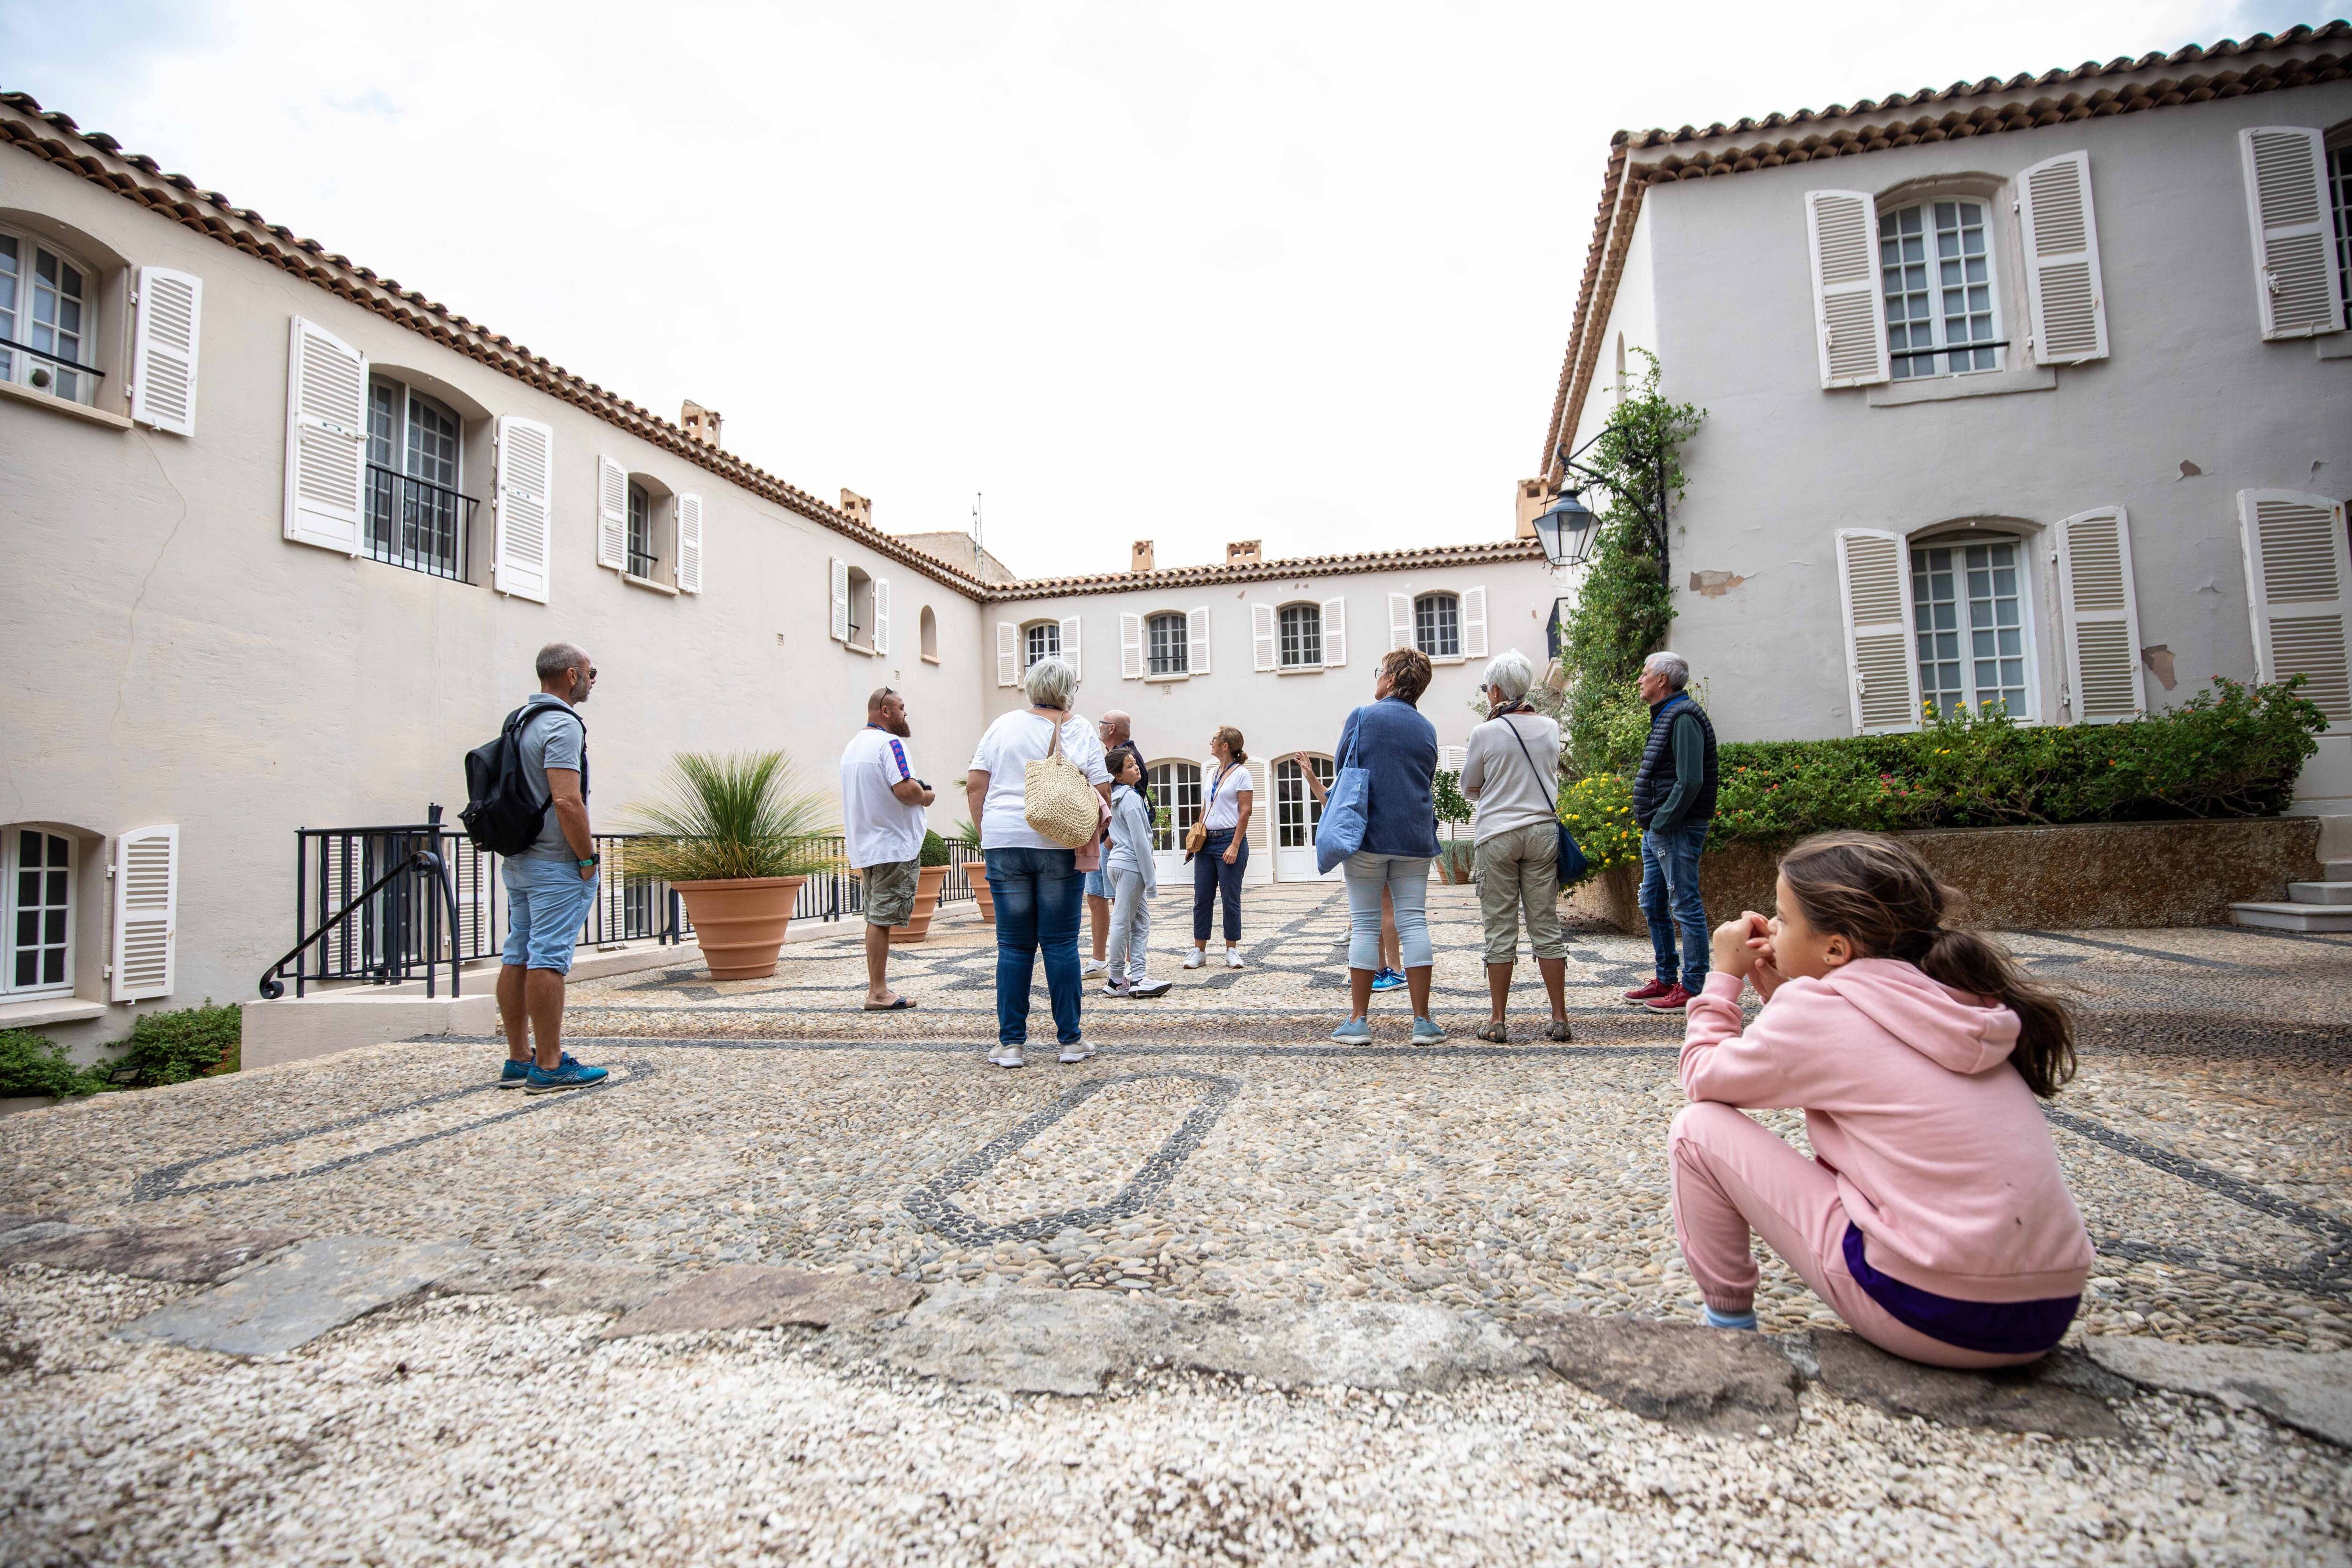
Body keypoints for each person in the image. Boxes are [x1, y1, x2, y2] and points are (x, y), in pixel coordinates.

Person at [1672, 832, 2093, 1367]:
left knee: (1695, 1128)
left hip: (1933, 1312)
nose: (1772, 930)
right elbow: (1852, 1053)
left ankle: (1727, 1329)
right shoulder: (1952, 993)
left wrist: (1721, 978)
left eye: (1782, 918)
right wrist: (1785, 994)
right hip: (2045, 1312)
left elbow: (1702, 1075)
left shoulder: (1823, 1013)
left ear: (1835, 949)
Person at [965, 656, 1112, 1068]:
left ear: (1032, 688)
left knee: (1013, 944)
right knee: (1061, 942)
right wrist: (1092, 836)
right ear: (1068, 692)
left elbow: (977, 785)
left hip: (1005, 841)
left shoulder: (1001, 725)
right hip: (1060, 843)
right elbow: (1101, 790)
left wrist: (988, 833)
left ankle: (1011, 1044)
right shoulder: (1079, 728)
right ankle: (1070, 1041)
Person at [496, 643, 610, 1095]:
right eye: (590, 672)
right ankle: (549, 1063)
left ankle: (519, 1057)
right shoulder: (562, 724)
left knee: (517, 951)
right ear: (570, 676)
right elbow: (567, 798)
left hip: (520, 856)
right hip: (553, 860)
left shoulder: (519, 721)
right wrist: (585, 858)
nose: (592, 680)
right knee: (548, 956)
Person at [1328, 648, 1444, 1045]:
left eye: (1381, 672)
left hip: (1367, 833)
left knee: (1365, 923)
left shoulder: (1362, 716)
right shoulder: (1427, 728)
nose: (1377, 677)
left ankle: (1359, 1021)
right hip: (1414, 835)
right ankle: (1423, 1022)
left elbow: (1343, 766)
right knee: (1414, 922)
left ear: (1392, 679)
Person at [1461, 650, 1571, 1043]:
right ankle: (1559, 1017)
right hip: (1542, 830)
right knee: (1546, 925)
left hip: (1497, 833)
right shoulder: (1550, 727)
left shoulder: (1485, 733)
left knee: (1500, 927)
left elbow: (1469, 786)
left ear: (1495, 690)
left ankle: (1497, 1019)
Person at [1623, 651, 1718, 1013]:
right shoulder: (1668, 714)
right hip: (1659, 830)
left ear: (1662, 680)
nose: (1640, 680)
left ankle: (1693, 986)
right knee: (1652, 901)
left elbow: (1690, 779)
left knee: (1685, 904)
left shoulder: (1683, 716)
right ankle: (1666, 977)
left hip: (1674, 829)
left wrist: (1662, 821)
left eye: (1645, 673)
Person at [840, 686, 935, 1012]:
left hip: (867, 845)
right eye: (902, 708)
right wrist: (926, 795)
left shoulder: (853, 747)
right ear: (885, 711)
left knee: (875, 916)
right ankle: (878, 992)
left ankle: (878, 988)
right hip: (893, 845)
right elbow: (906, 790)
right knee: (880, 919)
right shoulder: (890, 743)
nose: (905, 714)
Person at [1291, 751, 1405, 990]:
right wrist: (1310, 775)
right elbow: (1330, 802)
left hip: (1378, 842)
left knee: (1385, 906)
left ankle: (1395, 970)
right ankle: (1379, 969)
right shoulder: (1354, 766)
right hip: (1364, 845)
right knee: (1371, 911)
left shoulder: (1375, 764)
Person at [1100, 744, 1170, 999]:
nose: (1137, 767)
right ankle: (1117, 979)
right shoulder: (1130, 798)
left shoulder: (1117, 796)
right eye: (1130, 766)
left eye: (1135, 763)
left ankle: (1138, 977)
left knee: (1140, 922)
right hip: (1130, 865)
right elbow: (1141, 841)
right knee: (1123, 922)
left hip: (1119, 864)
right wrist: (1151, 883)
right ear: (1118, 776)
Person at [1084, 709, 1146, 978]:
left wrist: (1109, 842)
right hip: (1102, 842)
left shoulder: (1125, 760)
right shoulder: (1109, 756)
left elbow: (1133, 809)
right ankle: (1102, 961)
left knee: (1121, 907)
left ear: (1110, 729)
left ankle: (1127, 969)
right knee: (1097, 897)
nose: (1098, 728)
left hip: (1112, 846)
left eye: (1101, 724)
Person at [1186, 726, 1254, 970]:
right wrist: (1196, 840)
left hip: (1228, 840)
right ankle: (1199, 951)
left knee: (1230, 897)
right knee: (1202, 897)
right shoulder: (1212, 773)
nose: (1211, 743)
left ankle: (1232, 950)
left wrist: (1235, 845)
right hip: (1207, 843)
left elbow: (1245, 811)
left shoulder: (1242, 774)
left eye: (1214, 740)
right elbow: (1206, 808)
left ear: (1226, 746)